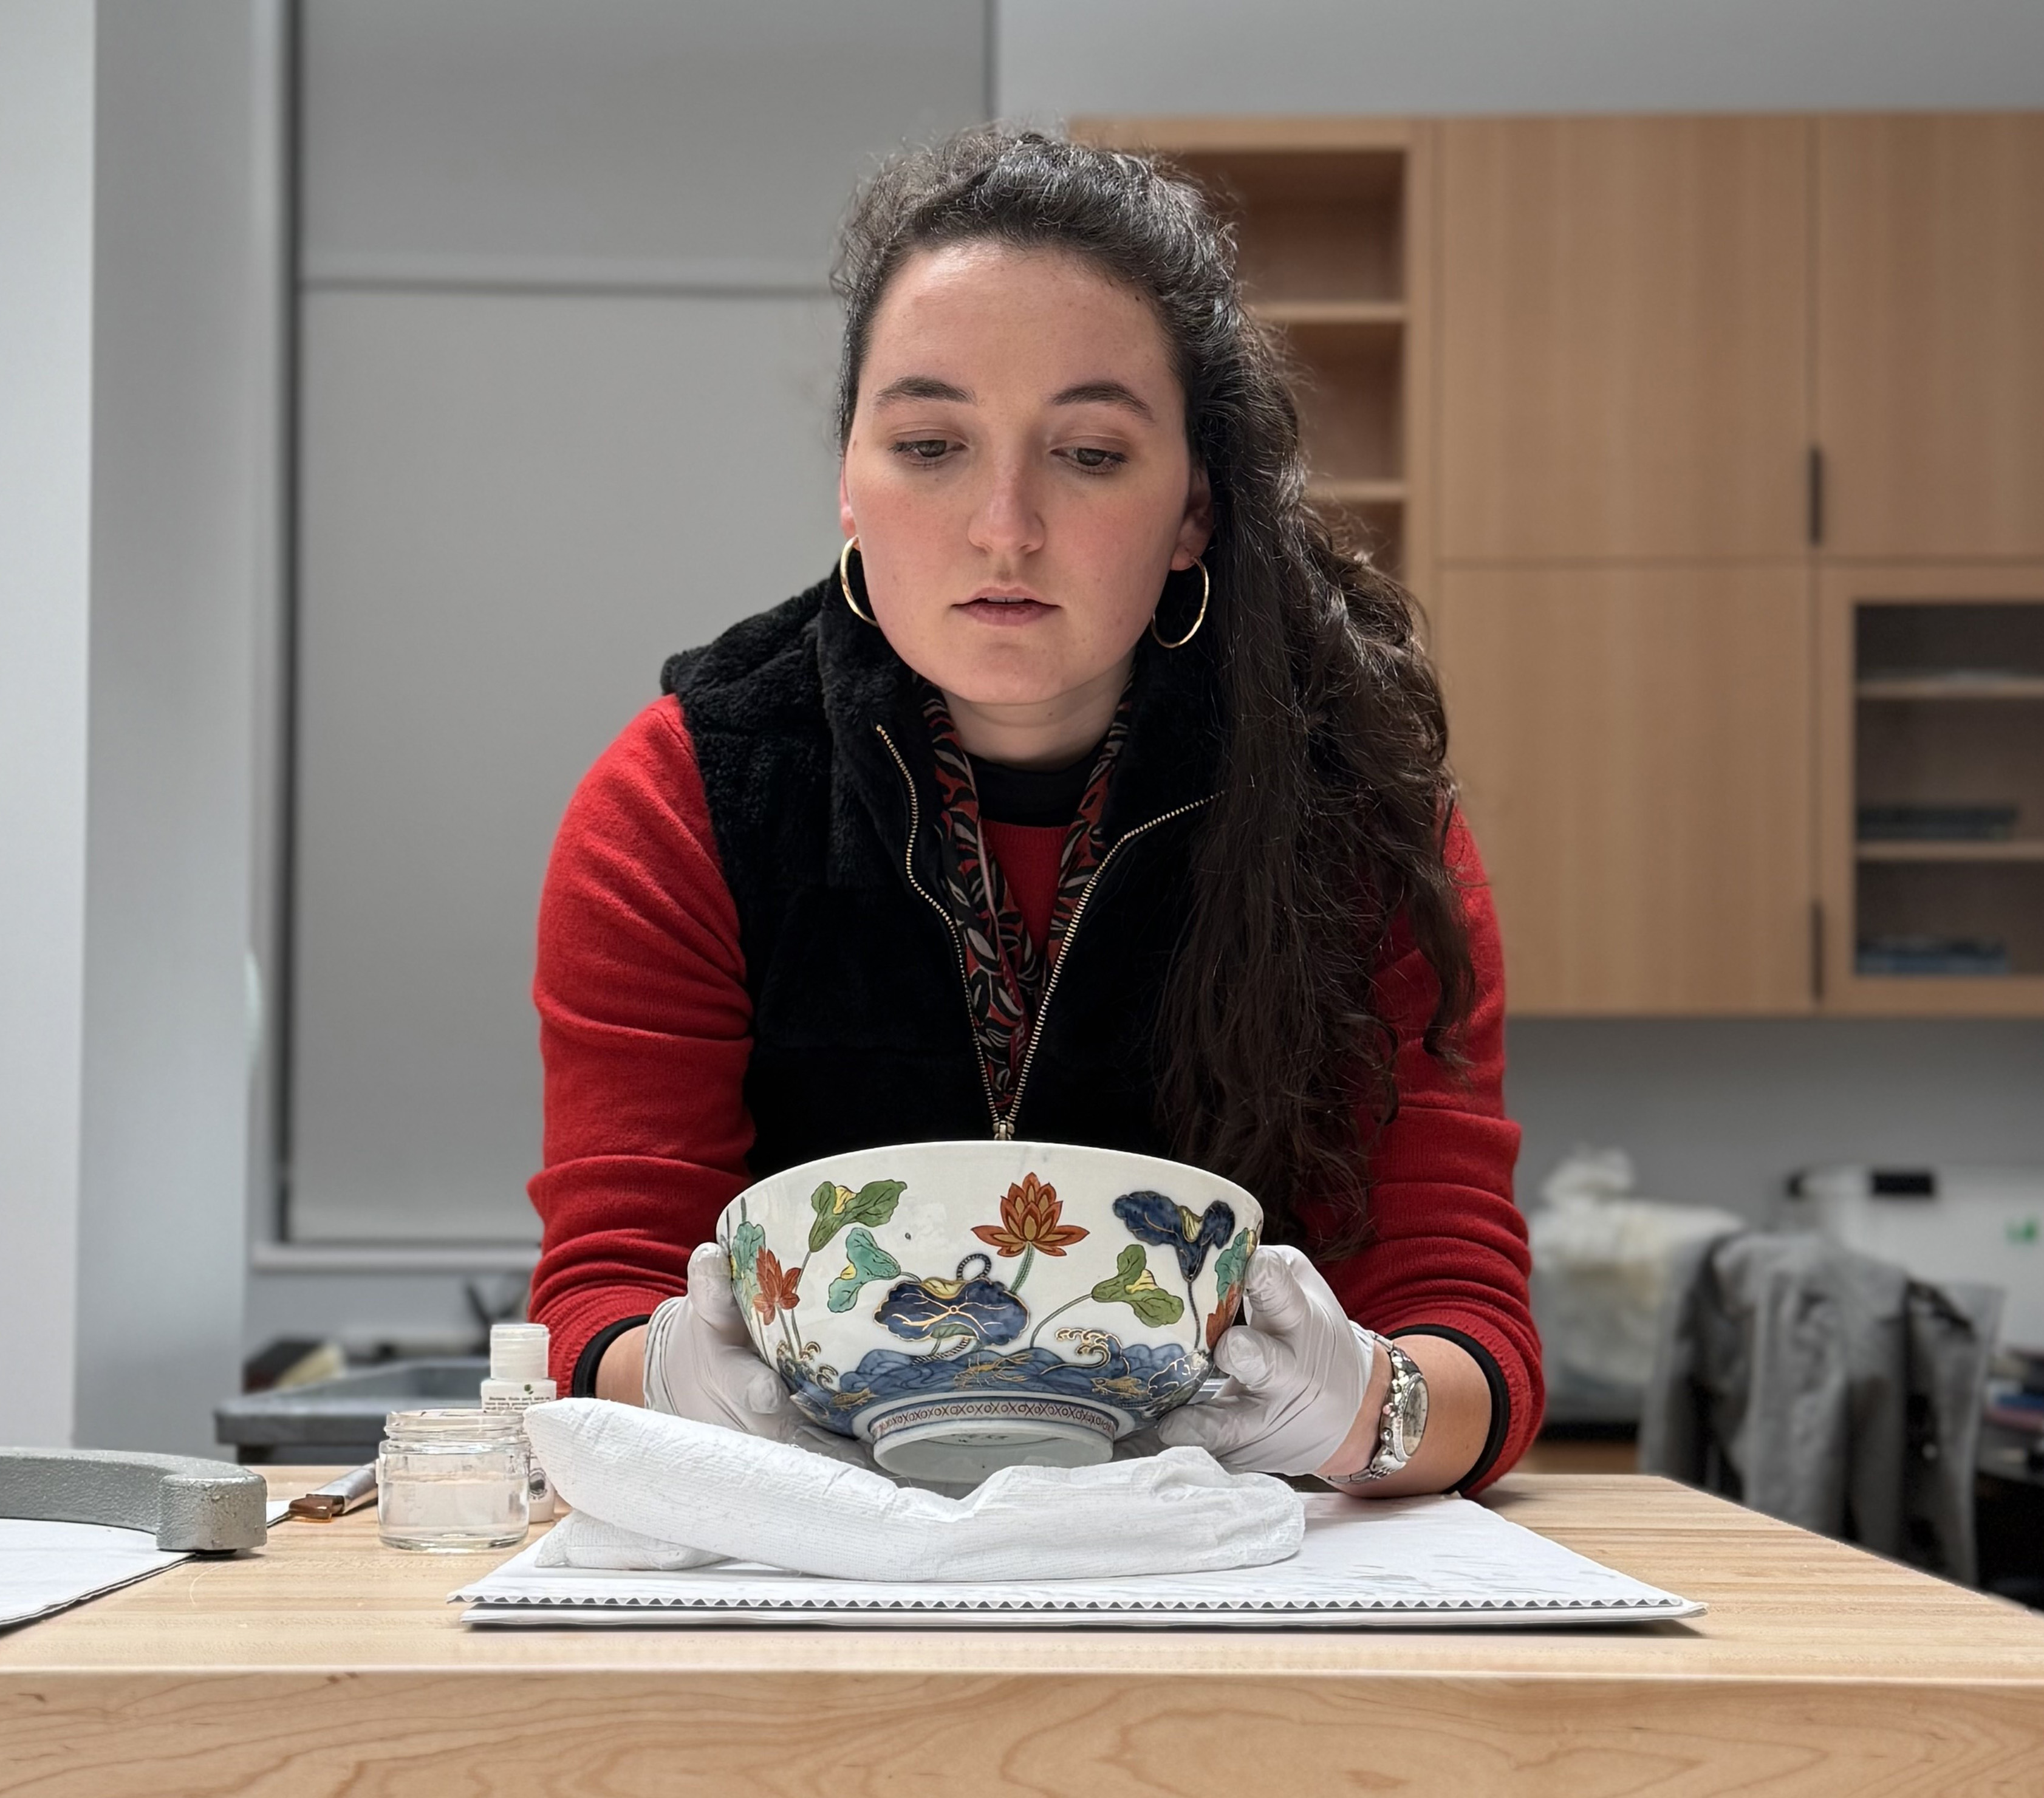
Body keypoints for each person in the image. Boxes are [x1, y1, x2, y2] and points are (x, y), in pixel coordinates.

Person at [525, 126, 1540, 1496]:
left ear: (1194, 507)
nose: (1004, 525)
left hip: (1233, 1576)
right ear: (848, 477)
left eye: (1091, 454)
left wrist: (1368, 1407)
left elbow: (1468, 1321)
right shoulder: (679, 801)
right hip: (806, 1572)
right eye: (931, 443)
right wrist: (681, 1375)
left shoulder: (1360, 814)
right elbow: (595, 1298)